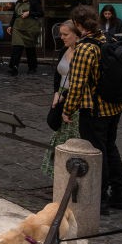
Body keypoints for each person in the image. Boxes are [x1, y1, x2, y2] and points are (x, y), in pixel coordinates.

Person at [62, 5, 122, 215]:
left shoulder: (85, 48)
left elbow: (78, 83)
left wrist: (68, 109)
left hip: (94, 109)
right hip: (115, 107)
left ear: (79, 25)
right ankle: (119, 194)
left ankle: (101, 199)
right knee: (110, 147)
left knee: (97, 152)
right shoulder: (109, 39)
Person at [42, 20, 82, 177]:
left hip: (74, 97)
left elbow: (80, 80)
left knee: (72, 135)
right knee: (59, 133)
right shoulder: (64, 50)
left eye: (66, 34)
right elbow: (57, 74)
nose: (62, 38)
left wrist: (65, 96)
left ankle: (73, 174)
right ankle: (58, 174)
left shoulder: (82, 52)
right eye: (61, 35)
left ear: (76, 34)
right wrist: (56, 93)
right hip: (61, 94)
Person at [6, 0, 43, 76]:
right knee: (16, 47)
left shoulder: (34, 2)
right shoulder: (18, 2)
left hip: (30, 29)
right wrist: (10, 25)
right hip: (17, 28)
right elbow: (15, 16)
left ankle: (32, 67)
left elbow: (41, 13)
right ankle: (13, 67)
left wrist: (29, 13)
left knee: (30, 48)